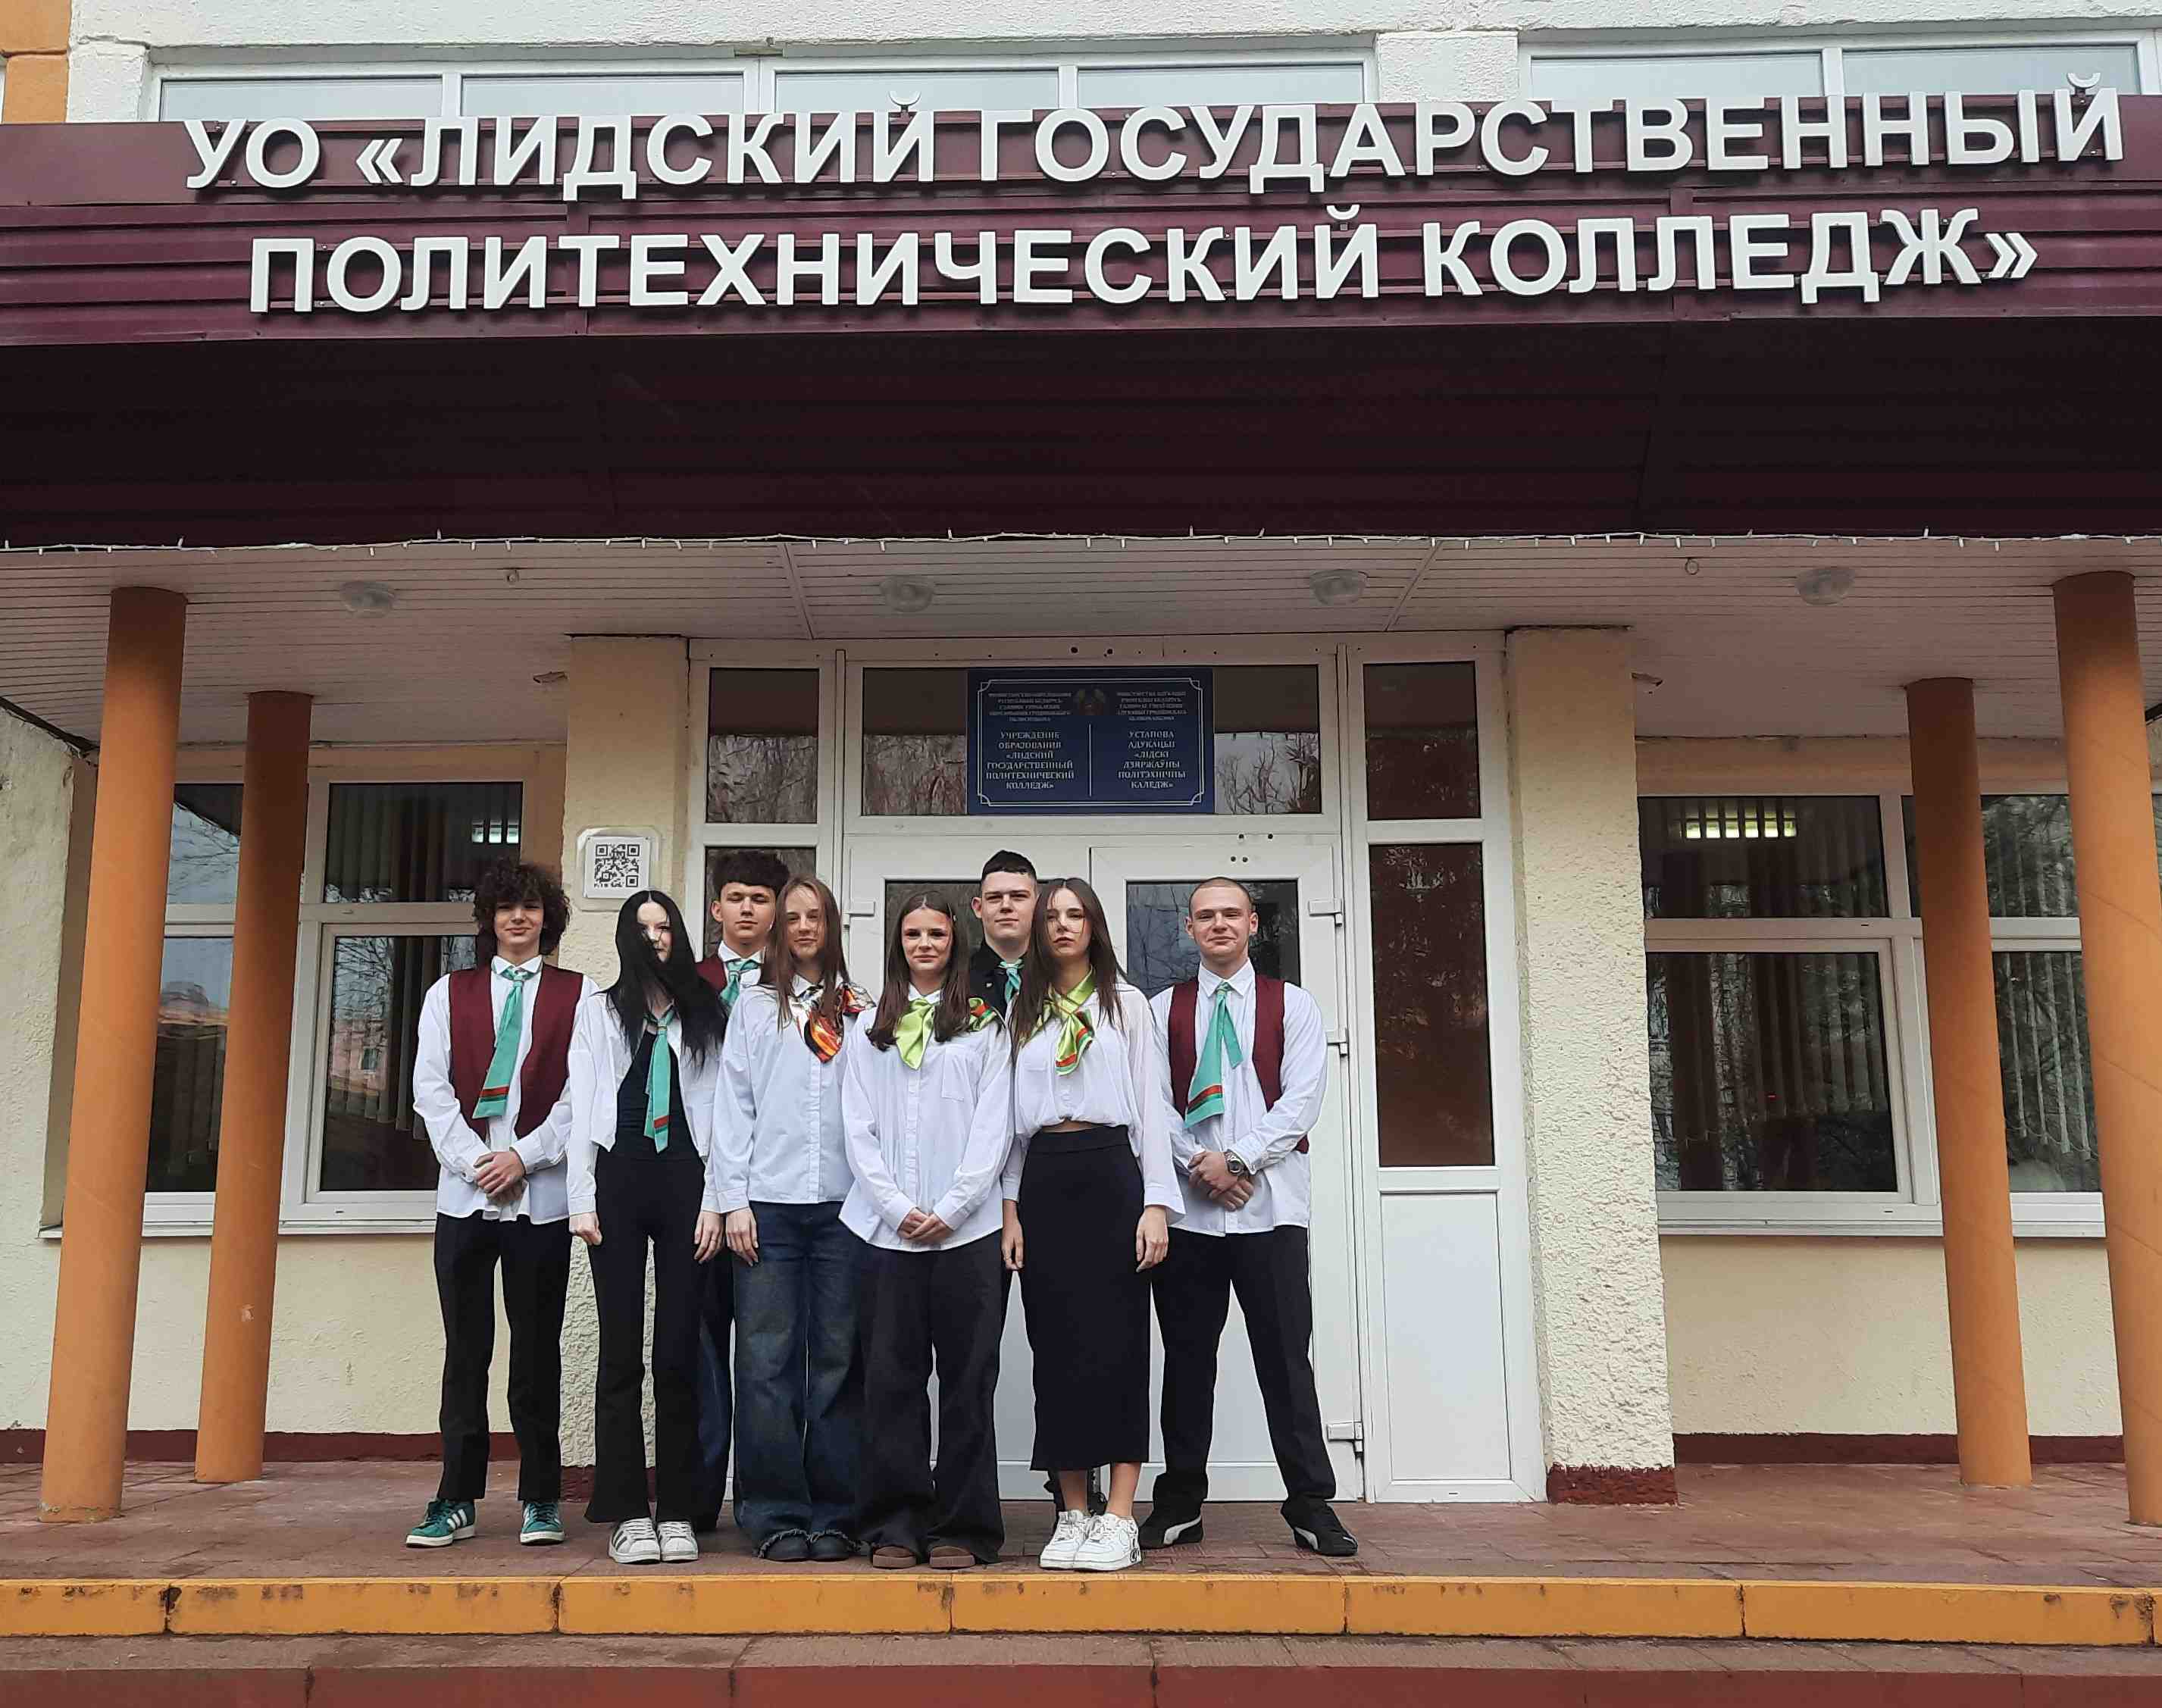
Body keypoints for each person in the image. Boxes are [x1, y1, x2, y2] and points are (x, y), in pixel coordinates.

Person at [1140, 879, 1358, 1559]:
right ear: (1188, 929)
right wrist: (1199, 1164)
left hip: (1272, 1212)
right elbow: (1150, 1104)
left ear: (1253, 923)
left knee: (1285, 1360)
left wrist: (1236, 1160)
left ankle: (1309, 1503)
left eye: (1230, 913)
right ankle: (1180, 1501)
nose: (1219, 924)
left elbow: (1302, 1100)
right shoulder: (1162, 1009)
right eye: (1205, 915)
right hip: (1191, 1218)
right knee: (1186, 1362)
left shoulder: (1293, 1005)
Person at [977, 876, 1178, 1573]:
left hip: (1110, 1171)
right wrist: (1009, 1209)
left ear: (1094, 925)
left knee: (1119, 1344)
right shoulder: (1021, 1010)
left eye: (1075, 914)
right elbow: (1007, 1123)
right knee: (1055, 1347)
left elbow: (1152, 1107)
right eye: (1051, 916)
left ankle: (1119, 1514)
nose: (1062, 925)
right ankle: (1071, 1511)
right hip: (1044, 1178)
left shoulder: (1126, 1004)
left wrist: (1157, 1203)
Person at [406, 860, 591, 1550]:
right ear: (488, 917)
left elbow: (583, 1095)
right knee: (466, 1352)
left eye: (531, 907)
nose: (519, 918)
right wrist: (477, 1163)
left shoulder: (580, 995)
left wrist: (524, 1157)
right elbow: (430, 1089)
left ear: (548, 918)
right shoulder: (447, 993)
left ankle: (541, 1497)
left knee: (537, 1353)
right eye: (507, 907)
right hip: (465, 1199)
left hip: (540, 1201)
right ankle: (455, 1497)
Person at [700, 874, 868, 1563]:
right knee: (766, 1363)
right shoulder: (753, 1007)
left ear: (831, 926)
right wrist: (732, 1201)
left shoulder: (861, 1009)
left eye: (815, 916)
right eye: (793, 916)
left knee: (837, 1362)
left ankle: (835, 1513)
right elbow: (732, 1107)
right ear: (779, 928)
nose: (803, 927)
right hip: (768, 1207)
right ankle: (774, 1514)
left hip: (845, 1210)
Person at [842, 893, 1009, 1570]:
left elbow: (994, 1125)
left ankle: (964, 1526)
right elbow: (856, 1126)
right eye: (912, 934)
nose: (925, 944)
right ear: (898, 944)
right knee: (891, 1380)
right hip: (886, 1234)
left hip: (967, 1233)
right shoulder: (867, 1027)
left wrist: (954, 1206)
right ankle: (895, 1523)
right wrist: (895, 1206)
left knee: (968, 1381)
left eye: (937, 933)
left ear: (954, 942)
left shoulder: (985, 1025)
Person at [566, 890, 729, 1566]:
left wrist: (718, 1200)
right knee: (620, 1352)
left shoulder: (705, 1012)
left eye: (665, 927)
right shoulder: (600, 1011)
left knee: (679, 1353)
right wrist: (581, 1197)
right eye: (642, 928)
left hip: (687, 1180)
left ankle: (680, 1509)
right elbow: (580, 1103)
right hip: (620, 1179)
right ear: (625, 938)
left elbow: (725, 1111)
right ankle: (629, 1511)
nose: (655, 937)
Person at [686, 849, 790, 1534]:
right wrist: (709, 1190)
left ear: (776, 910)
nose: (747, 908)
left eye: (760, 897)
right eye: (736, 896)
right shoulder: (686, 983)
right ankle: (696, 1501)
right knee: (698, 1347)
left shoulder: (796, 986)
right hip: (694, 1191)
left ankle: (763, 1501)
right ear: (716, 906)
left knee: (766, 1355)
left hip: (770, 1194)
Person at [968, 850, 1037, 1015]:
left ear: (1038, 904)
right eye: (994, 898)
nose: (1006, 906)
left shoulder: (1058, 977)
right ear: (978, 908)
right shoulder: (954, 978)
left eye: (1018, 896)